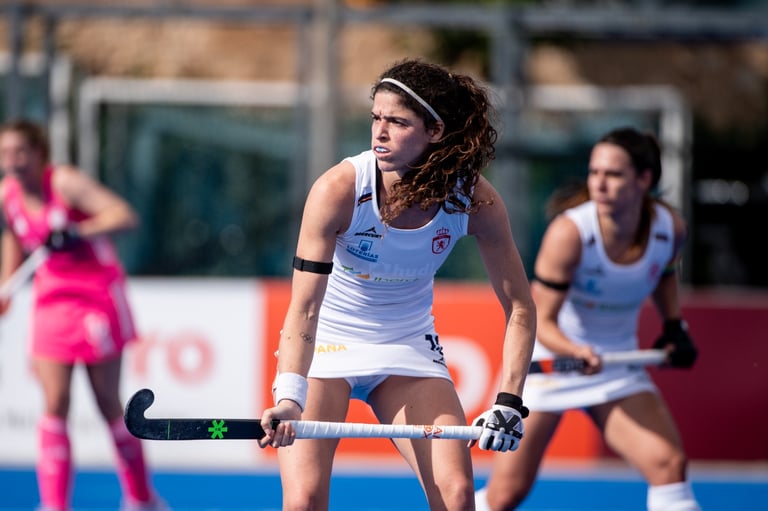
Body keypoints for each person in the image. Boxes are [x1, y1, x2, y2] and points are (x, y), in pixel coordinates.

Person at [256, 58, 536, 510]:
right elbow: (304, 309)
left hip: (407, 346)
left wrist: (509, 401)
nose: (379, 133)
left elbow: (520, 307)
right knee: (304, 499)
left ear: (435, 131)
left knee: (458, 495)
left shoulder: (475, 199)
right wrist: (290, 397)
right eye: (376, 118)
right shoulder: (337, 190)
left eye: (398, 122)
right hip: (327, 344)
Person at [475, 127, 700, 511]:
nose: (599, 183)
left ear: (644, 179)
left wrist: (673, 325)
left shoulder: (669, 229)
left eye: (613, 174)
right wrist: (575, 350)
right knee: (506, 495)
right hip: (550, 363)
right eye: (595, 172)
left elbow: (663, 273)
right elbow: (540, 320)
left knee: (669, 465)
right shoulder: (569, 233)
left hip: (616, 367)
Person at [0, 119, 165, 511]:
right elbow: (14, 235)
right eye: (5, 153)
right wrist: (6, 286)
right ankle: (54, 504)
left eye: (21, 152)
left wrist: (78, 231)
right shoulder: (7, 195)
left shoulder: (65, 183)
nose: (13, 161)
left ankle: (141, 499)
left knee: (108, 402)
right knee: (54, 401)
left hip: (95, 298)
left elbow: (124, 215)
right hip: (50, 301)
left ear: (39, 153)